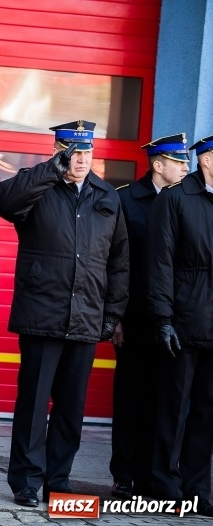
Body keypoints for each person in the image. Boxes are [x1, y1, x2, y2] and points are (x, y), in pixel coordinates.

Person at [0, 120, 129, 507]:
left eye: (87, 152)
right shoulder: (39, 186)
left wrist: (111, 314)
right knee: (34, 403)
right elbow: (4, 201)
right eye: (74, 152)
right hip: (42, 313)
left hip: (86, 317)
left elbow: (119, 261)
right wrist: (52, 170)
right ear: (59, 151)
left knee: (71, 408)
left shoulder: (106, 195)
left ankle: (59, 480)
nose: (81, 159)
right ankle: (26, 481)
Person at [109, 134, 189, 499]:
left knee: (164, 401)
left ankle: (152, 477)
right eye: (178, 162)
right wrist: (115, 316)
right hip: (136, 318)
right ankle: (124, 475)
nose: (186, 167)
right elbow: (115, 262)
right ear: (158, 165)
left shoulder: (186, 201)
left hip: (176, 319)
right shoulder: (126, 199)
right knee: (131, 399)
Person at [145, 134, 213, 516]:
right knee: (173, 406)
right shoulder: (175, 199)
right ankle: (165, 485)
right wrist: (163, 317)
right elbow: (160, 262)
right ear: (207, 160)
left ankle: (197, 489)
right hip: (184, 319)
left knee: (207, 409)